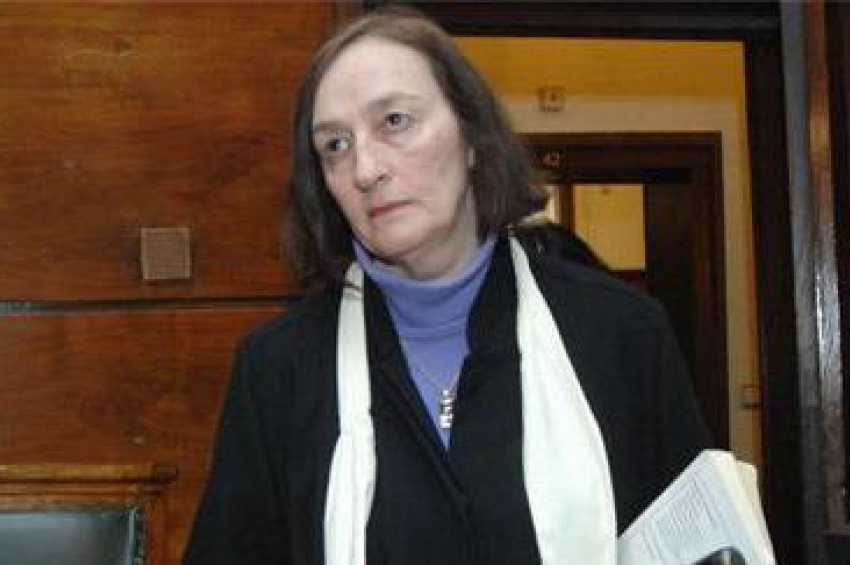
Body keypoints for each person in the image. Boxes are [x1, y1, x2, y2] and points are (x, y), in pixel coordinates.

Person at [183, 7, 710, 565]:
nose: (365, 169)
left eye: (394, 121)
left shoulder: (618, 333)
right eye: (335, 145)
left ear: (472, 136)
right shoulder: (280, 369)